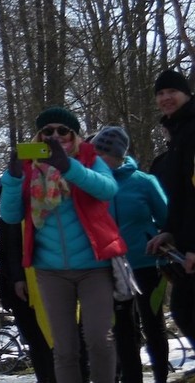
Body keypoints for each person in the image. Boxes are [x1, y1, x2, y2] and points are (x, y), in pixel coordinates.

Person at [0, 106, 124, 383]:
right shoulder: (30, 166)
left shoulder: (89, 158)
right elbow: (10, 216)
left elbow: (108, 190)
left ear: (75, 135)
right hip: (50, 270)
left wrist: (69, 168)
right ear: (39, 135)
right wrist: (12, 178)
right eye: (47, 131)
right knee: (64, 349)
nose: (55, 136)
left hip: (94, 266)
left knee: (98, 340)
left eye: (62, 131)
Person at [96, 126, 170, 383]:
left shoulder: (144, 182)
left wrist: (163, 238)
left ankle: (161, 377)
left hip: (146, 264)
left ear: (116, 154)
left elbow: (167, 219)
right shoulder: (95, 184)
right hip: (112, 268)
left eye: (101, 153)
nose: (96, 158)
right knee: (124, 331)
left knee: (153, 326)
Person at [145, 69, 195, 347]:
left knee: (186, 311)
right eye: (160, 93)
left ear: (186, 94)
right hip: (184, 243)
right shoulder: (179, 133)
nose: (166, 98)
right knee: (184, 311)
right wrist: (169, 232)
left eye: (172, 92)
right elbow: (181, 196)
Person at [0, 177, 55, 383]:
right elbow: (4, 258)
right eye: (1, 196)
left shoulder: (33, 217)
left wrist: (22, 278)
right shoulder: (3, 223)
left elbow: (20, 252)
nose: (4, 199)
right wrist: (5, 292)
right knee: (34, 341)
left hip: (37, 285)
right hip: (15, 291)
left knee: (48, 338)